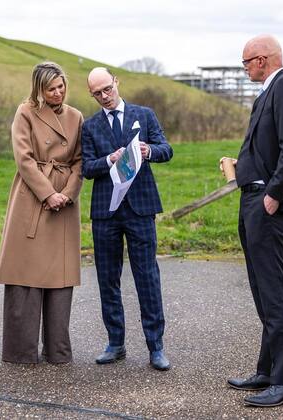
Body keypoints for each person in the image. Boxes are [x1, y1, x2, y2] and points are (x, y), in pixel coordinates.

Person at [222, 35, 283, 407]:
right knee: (261, 288)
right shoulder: (269, 91)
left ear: (261, 60)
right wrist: (243, 167)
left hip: (267, 204)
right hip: (253, 199)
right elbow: (270, 149)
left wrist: (274, 195)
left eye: (245, 63)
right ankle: (268, 369)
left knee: (273, 292)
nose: (244, 69)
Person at [81, 67, 173, 370]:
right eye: (98, 93)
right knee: (108, 279)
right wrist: (110, 159)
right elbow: (86, 167)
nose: (105, 96)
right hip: (106, 211)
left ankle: (155, 346)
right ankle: (115, 343)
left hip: (141, 208)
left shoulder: (143, 115)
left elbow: (166, 149)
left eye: (108, 88)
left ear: (116, 82)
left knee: (147, 276)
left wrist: (148, 151)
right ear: (91, 94)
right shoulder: (90, 126)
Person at [0, 62, 83, 364]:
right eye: (51, 88)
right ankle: (21, 351)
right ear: (39, 89)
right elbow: (24, 159)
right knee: (25, 273)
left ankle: (58, 350)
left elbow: (81, 161)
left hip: (64, 203)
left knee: (60, 274)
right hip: (32, 197)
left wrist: (67, 195)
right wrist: (48, 193)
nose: (58, 93)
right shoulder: (25, 112)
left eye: (61, 86)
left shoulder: (76, 117)